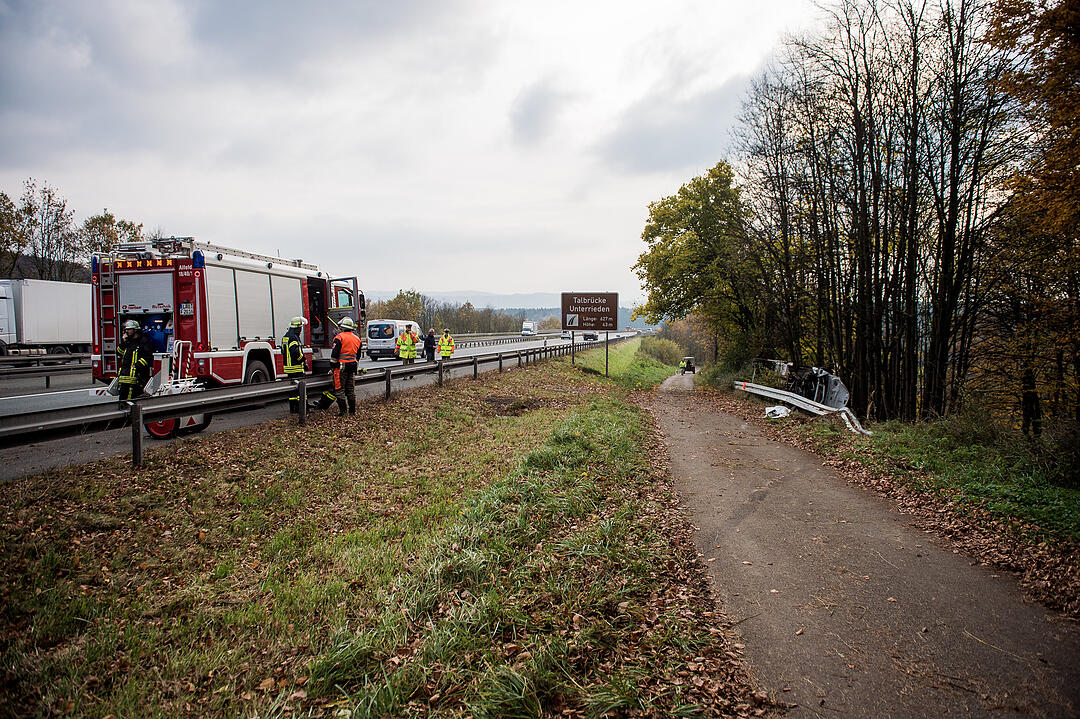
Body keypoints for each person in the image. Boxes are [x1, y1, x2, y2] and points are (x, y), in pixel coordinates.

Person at [116, 318, 156, 403]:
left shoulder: (143, 341)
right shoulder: (127, 342)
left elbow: (148, 357)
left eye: (129, 330)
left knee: (131, 400)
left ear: (135, 330)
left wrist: (137, 365)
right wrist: (123, 342)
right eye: (126, 330)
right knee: (122, 398)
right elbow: (119, 353)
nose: (127, 332)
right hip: (124, 376)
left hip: (136, 376)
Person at [331, 316, 362, 415]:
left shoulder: (339, 338)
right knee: (350, 389)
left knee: (339, 390)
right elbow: (358, 355)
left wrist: (332, 367)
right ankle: (352, 411)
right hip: (352, 367)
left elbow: (334, 356)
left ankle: (343, 412)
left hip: (341, 367)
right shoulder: (357, 339)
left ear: (343, 327)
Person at [281, 316, 308, 414]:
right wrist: (303, 360)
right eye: (300, 327)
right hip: (296, 368)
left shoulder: (286, 336)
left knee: (293, 391)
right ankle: (303, 408)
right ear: (297, 328)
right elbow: (295, 352)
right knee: (300, 390)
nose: (301, 330)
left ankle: (293, 409)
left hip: (289, 368)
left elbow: (283, 351)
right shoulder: (293, 338)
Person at [1022, 368, 1042, 437]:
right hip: (1030, 403)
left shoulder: (1028, 396)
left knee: (1029, 419)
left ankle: (1032, 435)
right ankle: (1032, 436)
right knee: (1031, 419)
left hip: (1029, 403)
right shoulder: (1033, 398)